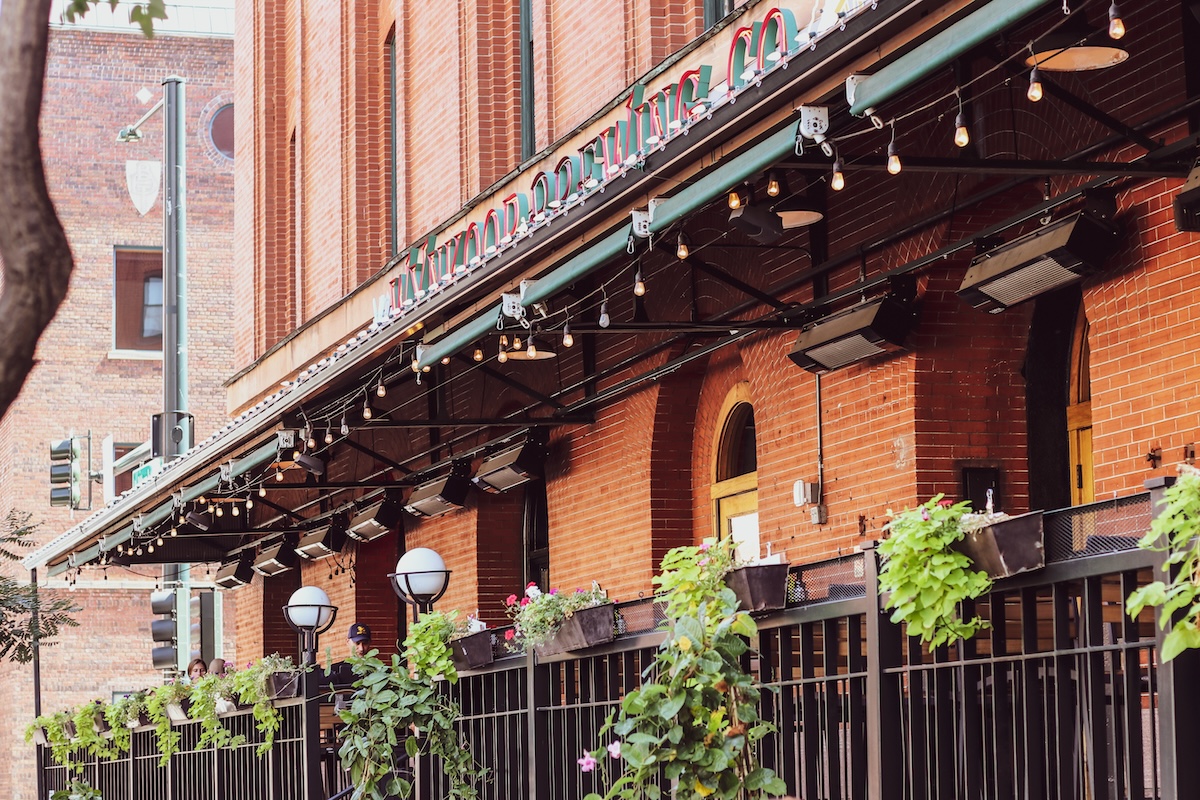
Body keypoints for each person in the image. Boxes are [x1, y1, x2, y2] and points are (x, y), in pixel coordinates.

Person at [322, 622, 372, 689]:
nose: (361, 648)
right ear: (347, 642)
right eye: (357, 643)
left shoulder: (379, 671)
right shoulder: (334, 670)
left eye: (365, 643)